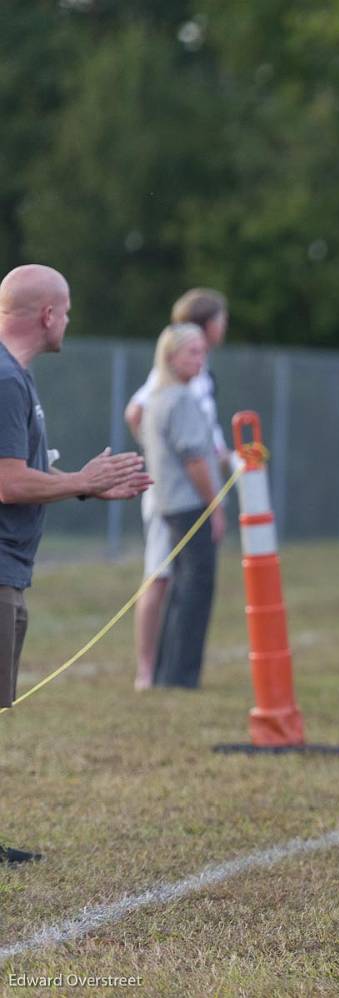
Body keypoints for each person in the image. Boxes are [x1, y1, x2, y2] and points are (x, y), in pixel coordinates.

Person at [0, 264, 152, 865]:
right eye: (66, 309)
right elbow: (8, 483)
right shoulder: (7, 380)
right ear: (47, 314)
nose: (69, 319)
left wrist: (84, 488)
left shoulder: (16, 378)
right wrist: (82, 480)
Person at [124, 288, 229, 692]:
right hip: (181, 500)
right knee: (175, 581)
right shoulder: (171, 392)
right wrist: (214, 505)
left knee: (175, 581)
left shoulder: (180, 390)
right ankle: (164, 673)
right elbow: (193, 457)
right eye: (193, 354)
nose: (200, 361)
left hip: (174, 498)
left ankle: (164, 670)